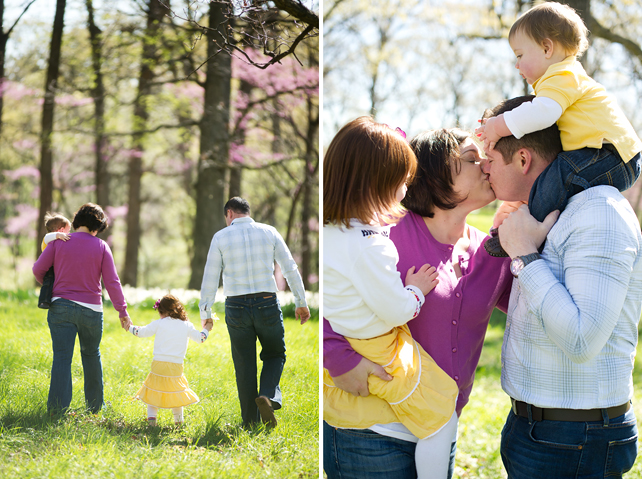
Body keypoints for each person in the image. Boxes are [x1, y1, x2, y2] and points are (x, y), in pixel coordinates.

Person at [324, 126, 514, 479]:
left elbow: (531, 306)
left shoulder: (494, 251)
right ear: (433, 172)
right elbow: (334, 289)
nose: (487, 165)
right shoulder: (381, 234)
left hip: (439, 427)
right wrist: (335, 355)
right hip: (369, 432)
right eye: (472, 159)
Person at [480, 95, 642, 478]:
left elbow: (582, 340)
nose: (483, 167)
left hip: (575, 437)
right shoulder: (551, 212)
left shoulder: (597, 213)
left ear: (523, 159)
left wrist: (524, 254)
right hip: (539, 428)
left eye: (489, 158)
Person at [476, 1, 642, 257]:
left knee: (558, 177)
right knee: (554, 180)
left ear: (546, 47)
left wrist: (498, 126)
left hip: (611, 155)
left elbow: (543, 113)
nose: (517, 65)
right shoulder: (561, 79)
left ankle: (530, 232)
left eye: (520, 55)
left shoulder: (561, 76)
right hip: (608, 154)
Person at [199, 196, 311, 428]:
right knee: (274, 353)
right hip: (267, 302)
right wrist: (301, 301)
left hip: (236, 306)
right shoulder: (269, 232)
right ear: (247, 212)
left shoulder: (220, 237)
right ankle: (268, 395)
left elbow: (210, 276)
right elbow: (290, 267)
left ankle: (250, 421)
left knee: (244, 363)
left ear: (229, 213)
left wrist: (206, 311)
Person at [32, 203, 132, 414]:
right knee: (91, 354)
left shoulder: (59, 241)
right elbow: (112, 282)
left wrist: (51, 285)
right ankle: (95, 408)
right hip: (91, 311)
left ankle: (57, 410)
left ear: (76, 221)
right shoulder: (101, 246)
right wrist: (122, 311)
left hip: (61, 307)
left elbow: (38, 269)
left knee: (61, 356)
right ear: (98, 227)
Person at [129, 294, 213, 426]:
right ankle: (178, 423)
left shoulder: (159, 323)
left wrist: (129, 327)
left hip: (158, 365)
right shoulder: (187, 325)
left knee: (153, 392)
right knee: (177, 394)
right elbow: (201, 338)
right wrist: (207, 328)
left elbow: (141, 332)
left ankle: (152, 423)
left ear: (164, 311)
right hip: (176, 366)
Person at [38, 212, 71, 309]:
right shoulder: (48, 238)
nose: (69, 233)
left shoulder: (60, 241)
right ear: (61, 230)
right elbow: (47, 237)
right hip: (49, 266)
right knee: (48, 282)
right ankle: (44, 301)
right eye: (68, 230)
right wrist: (58, 235)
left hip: (58, 265)